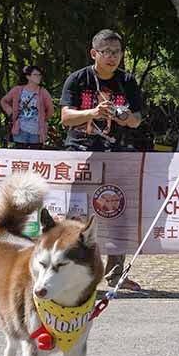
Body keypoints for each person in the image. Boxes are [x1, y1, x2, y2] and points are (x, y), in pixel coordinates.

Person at [60, 29, 144, 291]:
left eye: (116, 52)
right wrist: (93, 112)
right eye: (106, 52)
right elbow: (65, 118)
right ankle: (74, 271)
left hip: (117, 153)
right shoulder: (78, 79)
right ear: (94, 53)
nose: (112, 57)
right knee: (78, 216)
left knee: (118, 212)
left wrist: (124, 117)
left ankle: (116, 273)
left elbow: (137, 120)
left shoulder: (128, 81)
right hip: (80, 153)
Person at [0, 65, 54, 149]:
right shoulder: (17, 90)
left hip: (36, 130)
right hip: (20, 128)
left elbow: (50, 109)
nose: (38, 77)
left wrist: (43, 119)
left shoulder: (43, 92)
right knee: (20, 153)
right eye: (35, 75)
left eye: (39, 75)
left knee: (35, 154)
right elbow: (4, 101)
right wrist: (10, 112)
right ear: (28, 77)